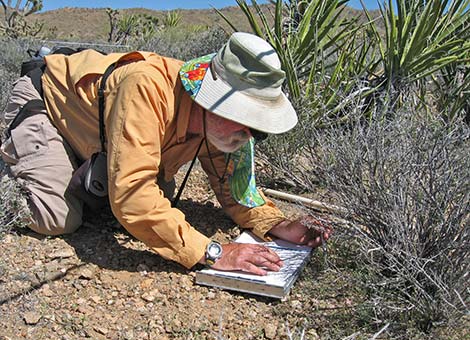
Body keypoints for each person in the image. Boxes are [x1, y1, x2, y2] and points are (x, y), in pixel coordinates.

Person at [0, 32, 331, 275]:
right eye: (245, 119)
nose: (249, 135)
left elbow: (236, 189)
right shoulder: (146, 88)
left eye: (258, 128)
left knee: (157, 203)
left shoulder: (225, 128)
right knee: (56, 217)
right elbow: (133, 195)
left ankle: (73, 171)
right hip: (47, 106)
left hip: (101, 135)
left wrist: (275, 224)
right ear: (211, 98)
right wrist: (213, 252)